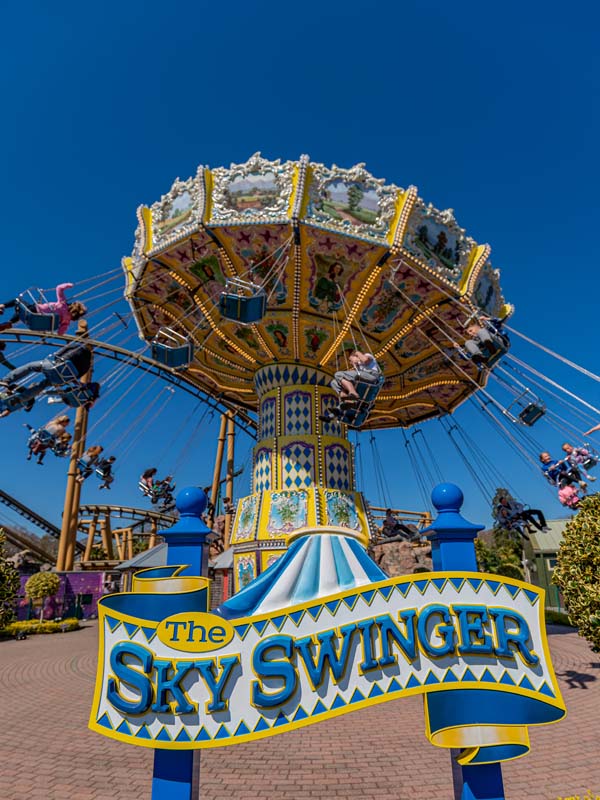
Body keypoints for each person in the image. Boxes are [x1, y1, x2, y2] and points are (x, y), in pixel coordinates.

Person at [0, 283, 87, 334]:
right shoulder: (66, 322)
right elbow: (60, 333)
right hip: (37, 323)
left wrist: (68, 285)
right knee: (21, 311)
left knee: (17, 301)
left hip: (35, 311)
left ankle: (2, 306)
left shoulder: (63, 304)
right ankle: (9, 323)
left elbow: (59, 288)